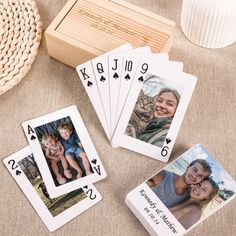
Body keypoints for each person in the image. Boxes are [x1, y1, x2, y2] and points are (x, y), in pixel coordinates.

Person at [146, 159, 212, 207]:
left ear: (201, 181)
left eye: (200, 176)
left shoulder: (190, 195)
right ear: (188, 167)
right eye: (195, 170)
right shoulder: (162, 176)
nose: (195, 176)